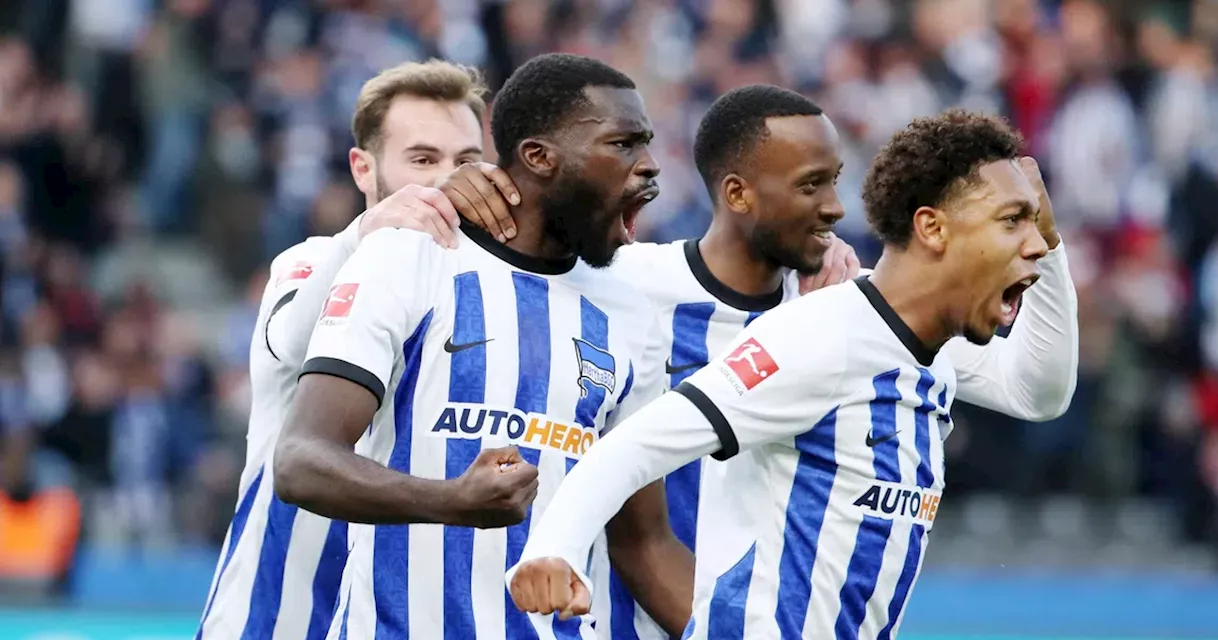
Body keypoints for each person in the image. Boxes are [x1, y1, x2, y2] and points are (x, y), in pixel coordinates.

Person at [438, 86, 1077, 638]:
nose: (834, 206)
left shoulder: (910, 339)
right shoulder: (809, 330)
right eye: (811, 184)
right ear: (738, 193)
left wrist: (1045, 243)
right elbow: (633, 443)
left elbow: (1039, 392)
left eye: (835, 180)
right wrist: (447, 198)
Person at [271, 53, 694, 639]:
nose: (648, 167)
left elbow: (644, 542)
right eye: (623, 144)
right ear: (539, 157)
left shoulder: (631, 309)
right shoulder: (410, 256)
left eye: (646, 144)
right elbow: (299, 460)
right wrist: (452, 500)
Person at [195, 60, 498, 639]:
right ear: (364, 169)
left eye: (465, 160)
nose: (447, 181)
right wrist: (366, 235)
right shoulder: (309, 262)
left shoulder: (489, 300)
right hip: (273, 618)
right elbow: (284, 344)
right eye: (422, 159)